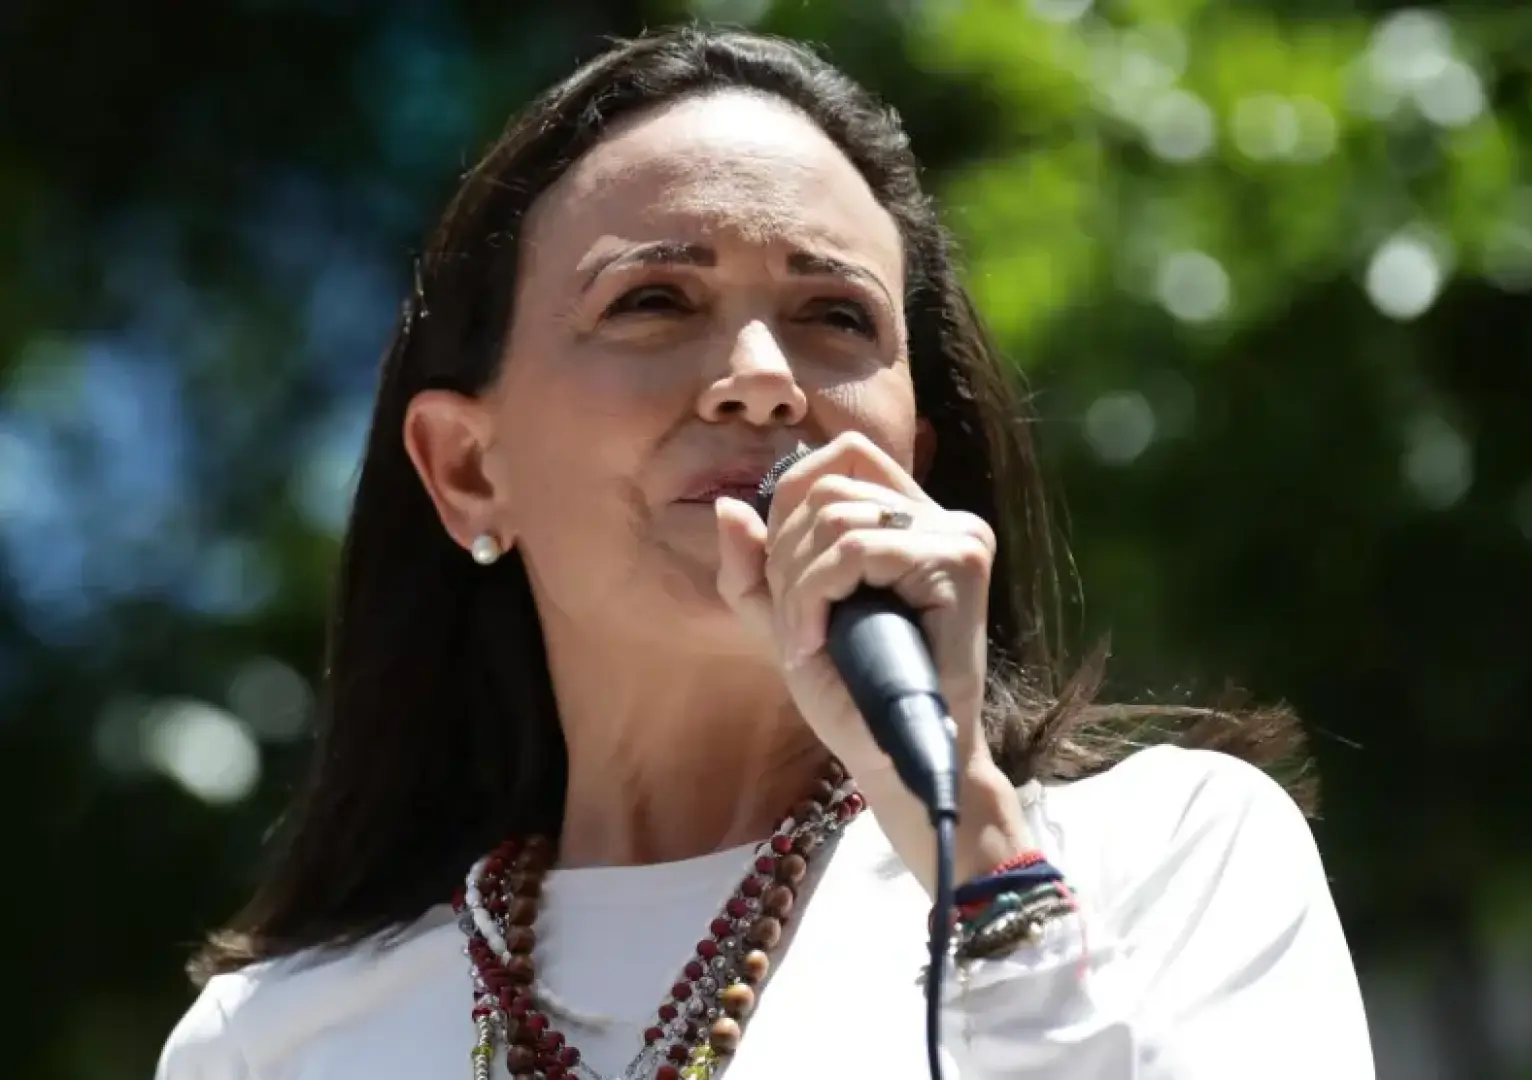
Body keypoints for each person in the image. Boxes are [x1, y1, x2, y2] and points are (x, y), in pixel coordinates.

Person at [156, 26, 1374, 1080]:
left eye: (834, 317)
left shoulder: (1166, 859)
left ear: (914, 456)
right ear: (470, 468)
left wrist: (973, 838)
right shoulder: (275, 1044)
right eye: (653, 302)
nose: (760, 383)